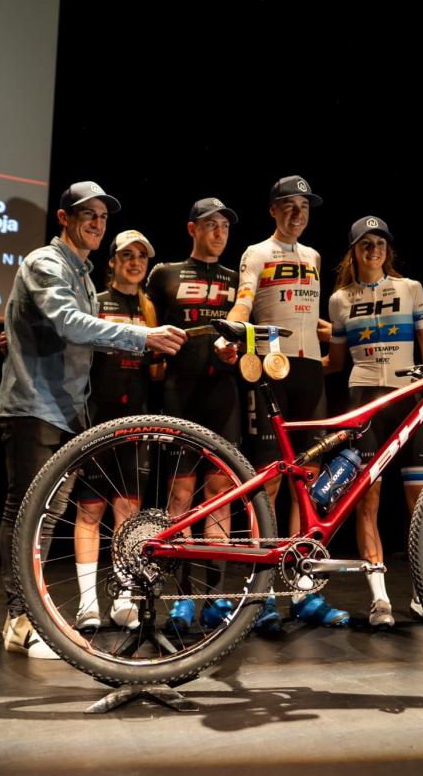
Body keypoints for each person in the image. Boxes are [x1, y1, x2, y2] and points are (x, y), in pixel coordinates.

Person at [0, 181, 186, 658]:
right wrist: (141, 337)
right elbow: (68, 323)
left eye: (103, 216)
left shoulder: (79, 275)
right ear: (64, 218)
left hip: (66, 411)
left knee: (45, 515)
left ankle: (31, 615)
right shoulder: (46, 262)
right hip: (34, 407)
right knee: (28, 514)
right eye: (88, 214)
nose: (97, 222)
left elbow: (79, 334)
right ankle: (22, 620)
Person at [216, 175, 348, 631]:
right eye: (288, 206)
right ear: (272, 210)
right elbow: (244, 301)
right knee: (268, 483)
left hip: (310, 372)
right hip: (272, 368)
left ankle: (304, 588)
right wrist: (228, 331)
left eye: (304, 207)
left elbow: (310, 315)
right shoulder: (257, 251)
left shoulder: (312, 256)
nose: (297, 214)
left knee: (309, 485)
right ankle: (262, 593)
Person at [324, 216, 423, 628]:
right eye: (365, 243)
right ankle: (379, 600)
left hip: (409, 399)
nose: (373, 249)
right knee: (368, 501)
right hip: (365, 402)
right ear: (355, 251)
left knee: (422, 505)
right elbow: (338, 363)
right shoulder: (340, 299)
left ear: (388, 250)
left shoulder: (411, 289)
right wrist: (293, 365)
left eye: (380, 243)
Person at [146, 197, 242, 630]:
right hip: (178, 391)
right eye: (211, 225)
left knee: (220, 495)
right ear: (192, 229)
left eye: (224, 226)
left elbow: (251, 332)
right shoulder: (164, 274)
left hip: (223, 393)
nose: (219, 233)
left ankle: (217, 597)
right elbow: (137, 318)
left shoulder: (237, 279)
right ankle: (183, 599)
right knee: (181, 497)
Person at [73, 229, 162, 632]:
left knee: (128, 513)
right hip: (96, 416)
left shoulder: (150, 308)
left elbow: (157, 370)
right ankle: (88, 603)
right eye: (127, 254)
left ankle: (124, 596)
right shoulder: (96, 300)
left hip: (137, 419)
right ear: (112, 261)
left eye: (142, 256)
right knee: (90, 509)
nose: (136, 262)